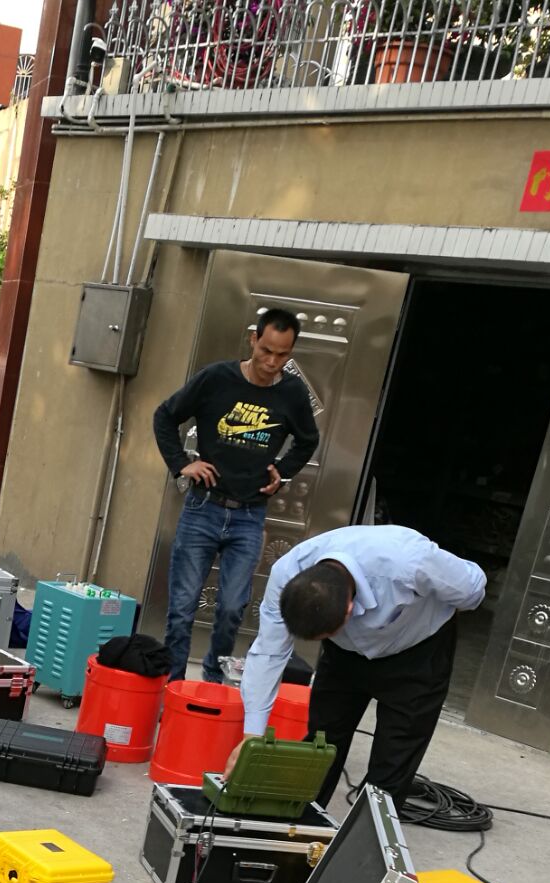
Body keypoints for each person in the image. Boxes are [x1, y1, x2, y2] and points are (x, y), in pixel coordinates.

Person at [235, 524, 487, 815]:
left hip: (418, 651)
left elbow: (473, 589)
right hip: (344, 655)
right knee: (322, 742)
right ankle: (300, 822)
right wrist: (251, 737)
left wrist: (430, 605)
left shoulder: (409, 560)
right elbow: (268, 652)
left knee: (394, 759)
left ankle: (366, 832)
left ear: (348, 610)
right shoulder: (287, 573)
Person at [152, 307, 320, 683]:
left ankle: (213, 681)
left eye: (282, 355)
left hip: (249, 515)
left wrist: (283, 473)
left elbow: (308, 440)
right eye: (266, 351)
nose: (272, 362)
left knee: (231, 608)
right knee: (182, 607)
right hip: (203, 508)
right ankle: (174, 688)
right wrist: (181, 464)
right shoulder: (216, 378)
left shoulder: (292, 392)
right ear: (253, 340)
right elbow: (165, 416)